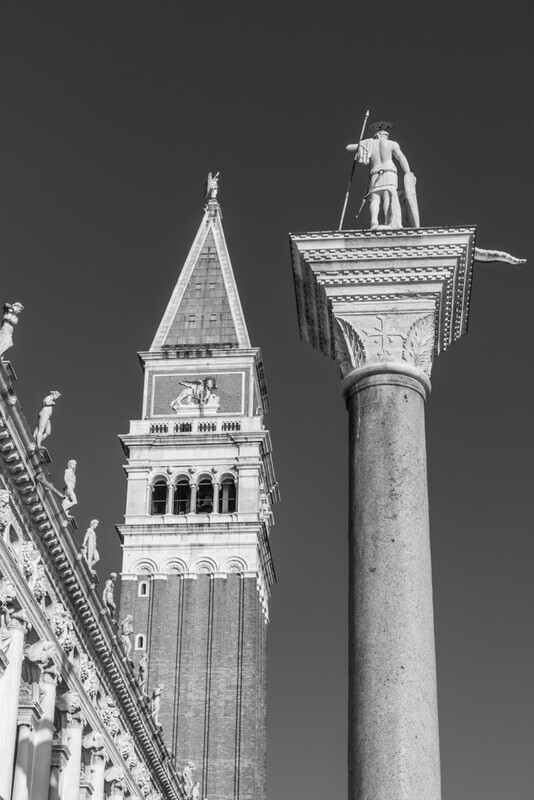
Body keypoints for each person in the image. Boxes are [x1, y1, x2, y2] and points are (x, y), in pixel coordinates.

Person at [347, 121, 416, 230]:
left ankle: (374, 222)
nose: (386, 137)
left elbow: (348, 148)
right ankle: (388, 222)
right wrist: (408, 172)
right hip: (389, 171)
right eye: (385, 135)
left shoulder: (368, 144)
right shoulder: (391, 143)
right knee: (387, 195)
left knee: (375, 198)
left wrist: (361, 144)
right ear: (381, 135)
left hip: (375, 172)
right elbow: (400, 157)